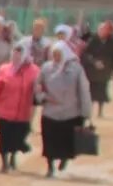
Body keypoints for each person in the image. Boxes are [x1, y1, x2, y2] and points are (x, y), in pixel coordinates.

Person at [38, 37, 93, 177]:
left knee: (66, 142)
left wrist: (86, 112)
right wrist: (43, 97)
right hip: (50, 112)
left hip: (70, 113)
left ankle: (64, 159)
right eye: (54, 54)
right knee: (49, 141)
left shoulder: (76, 69)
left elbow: (83, 90)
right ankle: (50, 167)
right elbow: (38, 87)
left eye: (59, 54)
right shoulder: (46, 68)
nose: (56, 57)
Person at [0, 43, 40, 172]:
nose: (16, 56)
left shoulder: (34, 71)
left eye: (19, 54)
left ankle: (13, 157)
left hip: (23, 113)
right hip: (4, 111)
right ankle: (5, 162)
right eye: (14, 53)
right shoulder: (4, 69)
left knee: (19, 137)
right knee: (4, 137)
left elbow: (39, 89)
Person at [81, 20, 113, 119]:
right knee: (90, 91)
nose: (102, 31)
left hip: (105, 70)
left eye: (105, 29)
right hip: (92, 70)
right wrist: (94, 62)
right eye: (101, 29)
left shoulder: (112, 41)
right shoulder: (93, 40)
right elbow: (85, 54)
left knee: (102, 91)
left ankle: (100, 112)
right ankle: (89, 111)